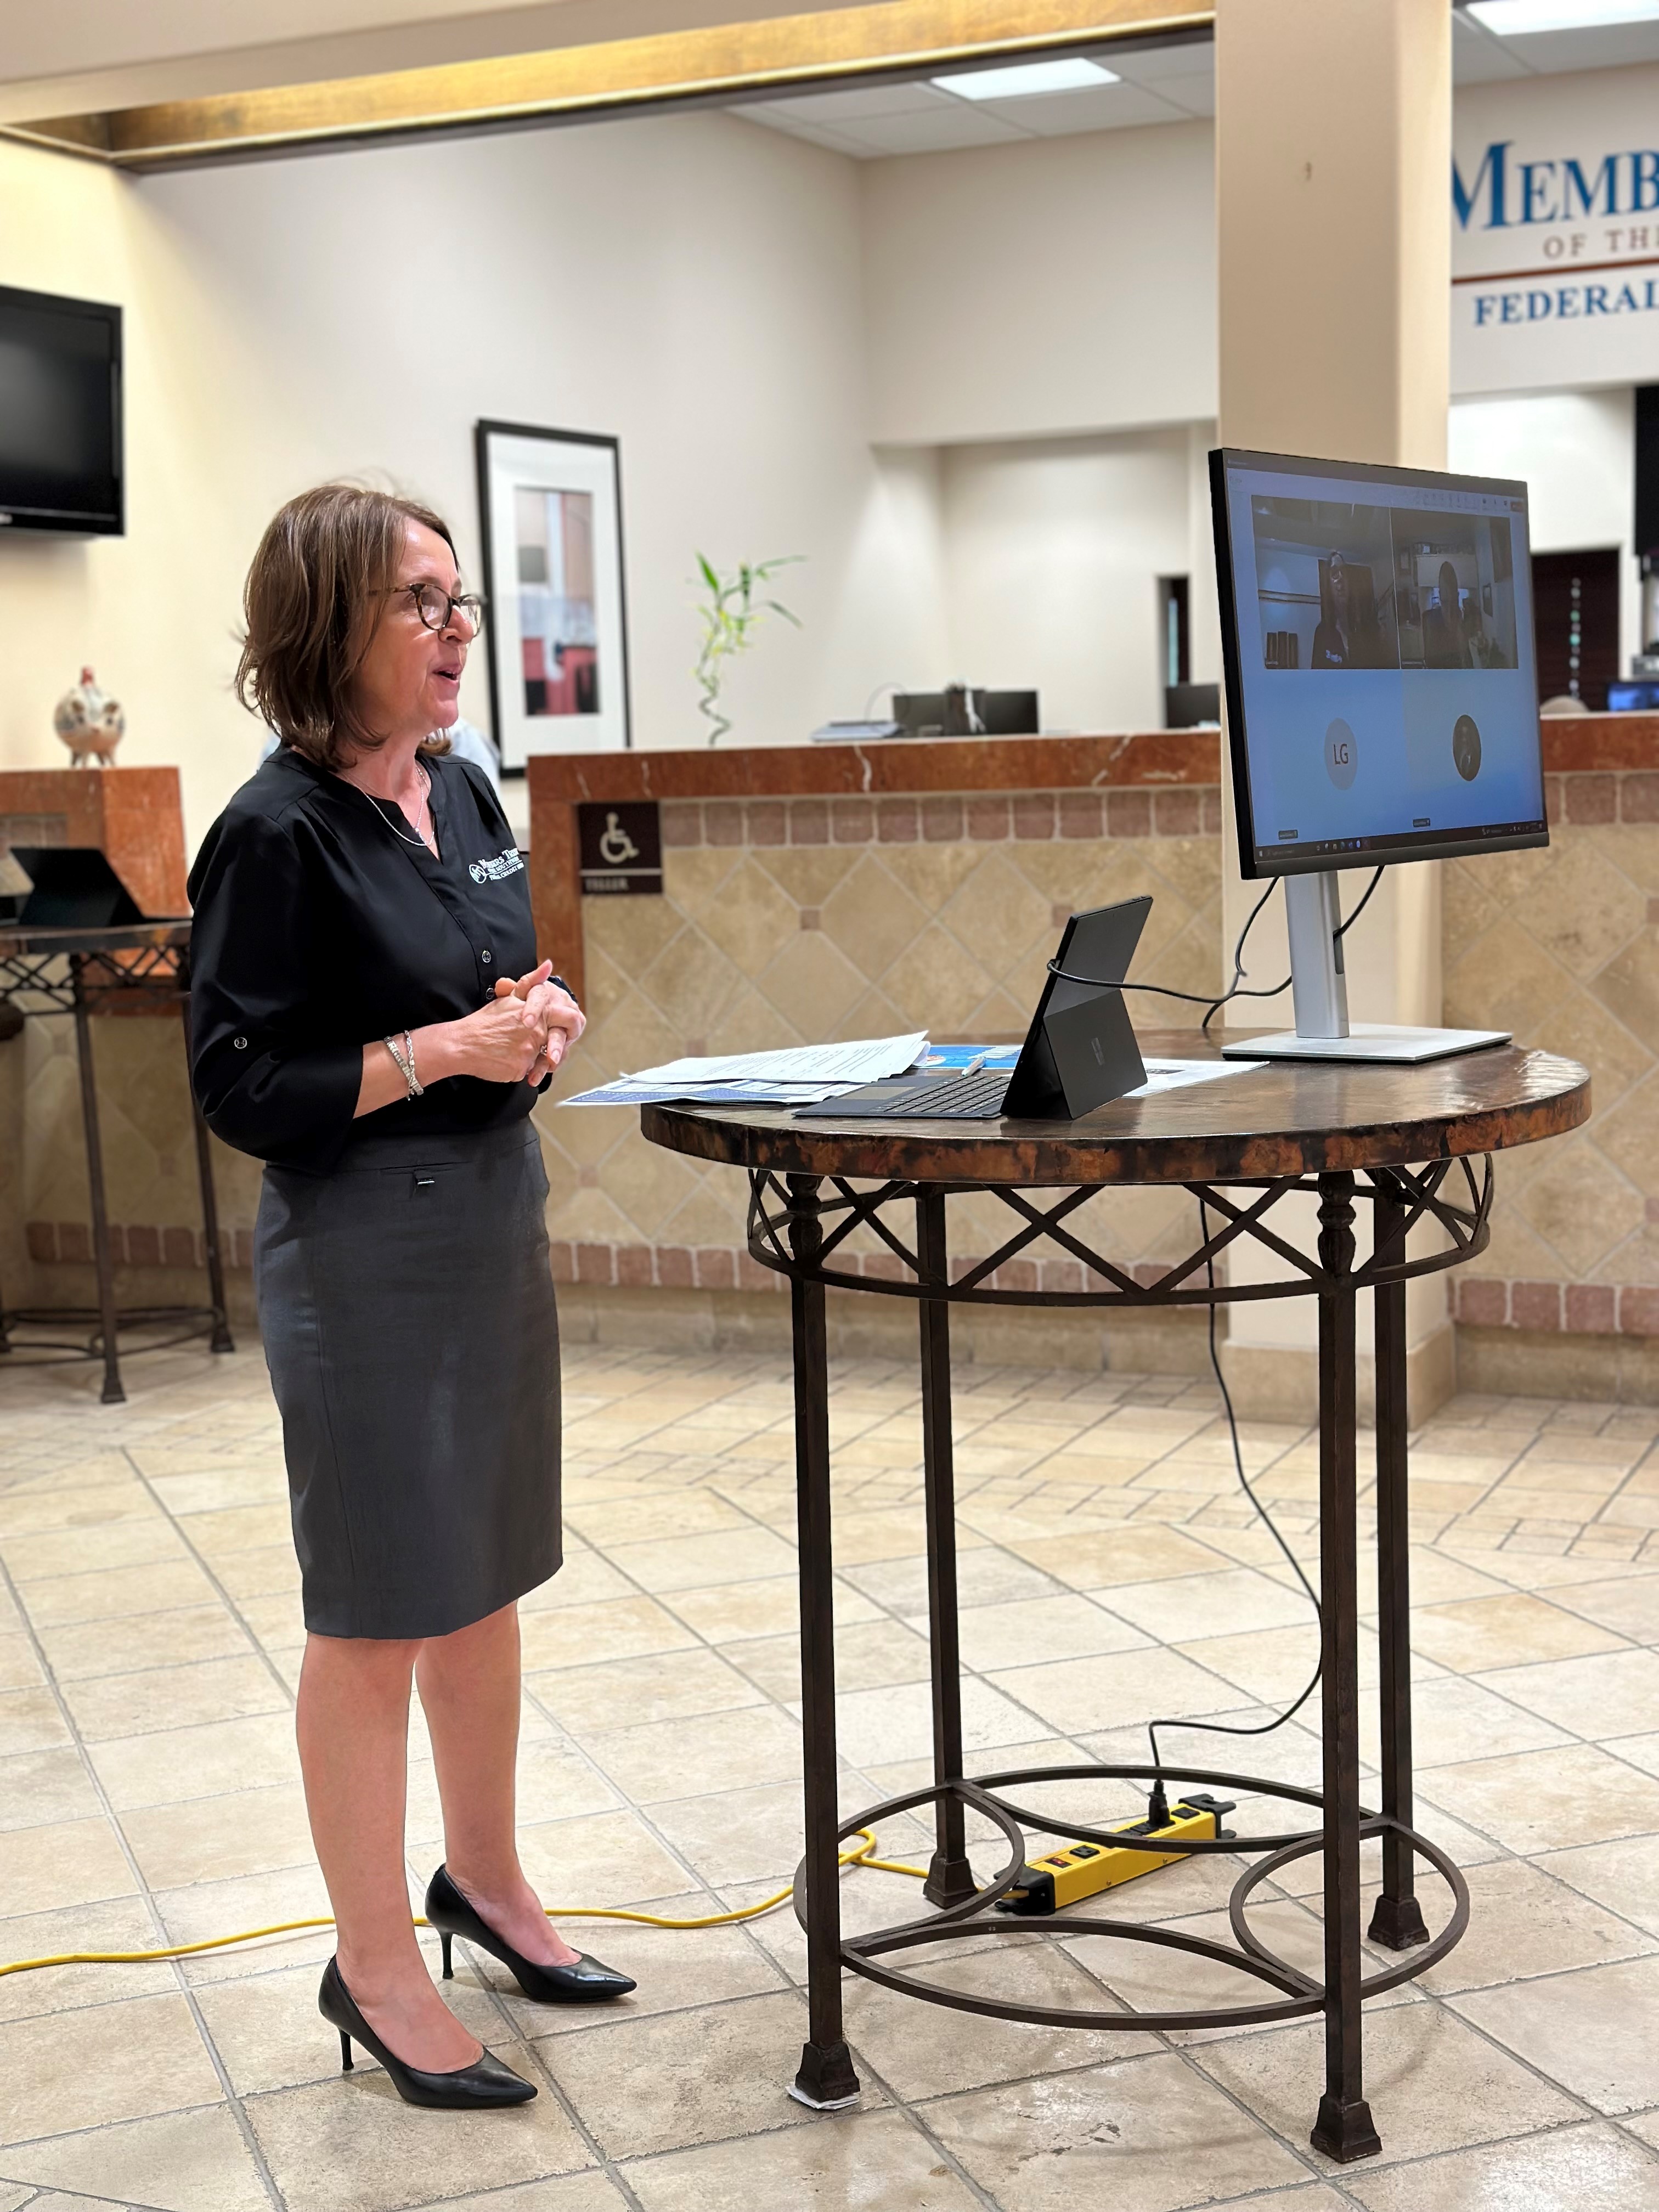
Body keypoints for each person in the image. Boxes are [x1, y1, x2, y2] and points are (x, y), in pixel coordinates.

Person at [188, 483, 634, 2114]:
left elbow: (492, 974)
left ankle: (486, 1884)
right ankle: (373, 1965)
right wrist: (446, 1051)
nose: (458, 633)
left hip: (490, 1219)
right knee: (378, 1607)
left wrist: (536, 1017)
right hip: (362, 1245)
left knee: (483, 1576)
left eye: (461, 602)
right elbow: (240, 1087)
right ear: (330, 630)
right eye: (420, 604)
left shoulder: (462, 785)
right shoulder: (272, 833)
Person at [1310, 550, 1359, 670]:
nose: (1340, 582)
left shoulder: (1362, 631)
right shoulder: (1322, 632)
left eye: (1344, 573)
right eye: (1335, 574)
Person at [1423, 560, 1472, 669]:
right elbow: (1431, 664)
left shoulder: (1464, 621)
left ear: (1458, 597)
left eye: (1454, 602)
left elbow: (1469, 666)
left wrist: (1459, 632)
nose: (1450, 613)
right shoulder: (1432, 623)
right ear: (1440, 596)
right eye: (1445, 602)